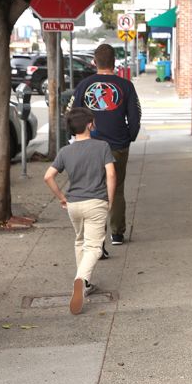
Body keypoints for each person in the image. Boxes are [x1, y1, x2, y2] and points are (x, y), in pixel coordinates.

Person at [43, 108, 116, 315]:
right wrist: (109, 199)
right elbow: (111, 174)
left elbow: (48, 176)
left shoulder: (65, 151)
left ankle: (85, 284)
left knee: (80, 241)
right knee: (94, 247)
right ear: (89, 125)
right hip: (96, 202)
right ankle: (81, 280)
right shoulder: (102, 147)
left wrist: (61, 197)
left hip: (73, 204)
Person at [72, 43, 141, 246]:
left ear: (95, 62)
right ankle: (117, 233)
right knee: (117, 188)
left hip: (90, 145)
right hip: (118, 145)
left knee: (94, 190)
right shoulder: (126, 86)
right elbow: (135, 116)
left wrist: (79, 139)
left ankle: (96, 239)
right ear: (114, 62)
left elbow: (74, 115)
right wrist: (129, 136)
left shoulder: (84, 85)